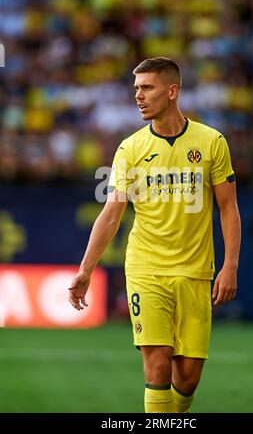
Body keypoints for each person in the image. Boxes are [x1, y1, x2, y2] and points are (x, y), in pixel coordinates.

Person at [68, 57, 241, 413]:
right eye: (136, 89)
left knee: (188, 376)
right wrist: (85, 269)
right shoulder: (129, 150)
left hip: (195, 271)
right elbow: (111, 213)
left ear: (172, 91)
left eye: (147, 88)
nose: (138, 96)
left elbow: (228, 208)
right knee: (158, 363)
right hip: (146, 269)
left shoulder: (211, 142)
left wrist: (230, 266)